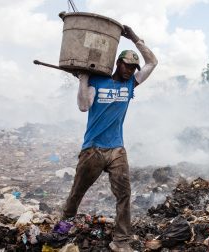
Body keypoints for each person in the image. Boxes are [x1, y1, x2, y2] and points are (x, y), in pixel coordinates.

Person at [62, 25, 157, 252]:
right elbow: (83, 106)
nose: (130, 70)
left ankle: (121, 241)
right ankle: (63, 228)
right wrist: (83, 78)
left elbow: (152, 62)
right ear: (118, 63)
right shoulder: (97, 80)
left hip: (116, 148)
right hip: (93, 148)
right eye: (127, 65)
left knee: (124, 194)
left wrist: (135, 38)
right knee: (77, 192)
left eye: (133, 67)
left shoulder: (131, 83)